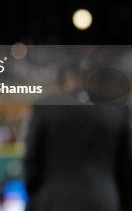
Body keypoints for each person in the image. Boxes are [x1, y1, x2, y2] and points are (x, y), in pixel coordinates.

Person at [23, 64, 132, 211]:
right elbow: (126, 168)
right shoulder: (117, 111)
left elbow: (32, 164)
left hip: (53, 201)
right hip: (103, 201)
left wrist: (36, 195)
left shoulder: (44, 108)